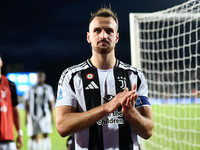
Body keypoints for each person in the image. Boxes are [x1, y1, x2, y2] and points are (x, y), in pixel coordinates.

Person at [56, 6, 154, 150]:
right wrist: (106, 108)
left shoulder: (134, 76)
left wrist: (131, 113)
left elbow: (147, 131)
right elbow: (62, 126)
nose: (103, 35)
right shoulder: (71, 76)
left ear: (116, 37)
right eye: (97, 30)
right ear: (89, 37)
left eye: (109, 31)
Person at [24, 71, 55, 150]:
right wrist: (26, 116)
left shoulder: (48, 88)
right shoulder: (30, 89)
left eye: (41, 77)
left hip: (44, 115)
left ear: (44, 78)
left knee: (45, 134)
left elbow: (51, 102)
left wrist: (52, 115)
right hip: (33, 115)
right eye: (38, 77)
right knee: (32, 135)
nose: (40, 79)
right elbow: (26, 102)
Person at [0, 53, 23, 150]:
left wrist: (19, 133)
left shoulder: (10, 84)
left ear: (1, 62)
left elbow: (15, 110)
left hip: (9, 139)